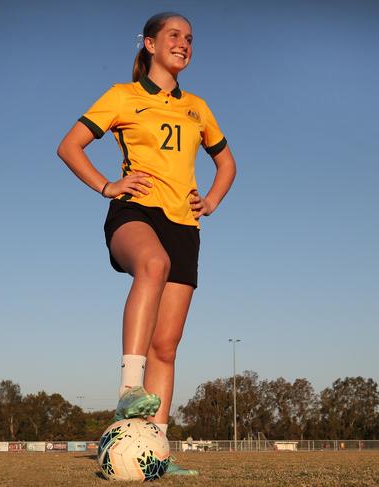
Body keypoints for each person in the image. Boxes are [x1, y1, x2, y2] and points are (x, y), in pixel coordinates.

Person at [57, 12, 236, 475]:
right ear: (151, 44)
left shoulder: (198, 106)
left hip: (185, 226)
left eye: (190, 38)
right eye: (174, 35)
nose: (184, 43)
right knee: (151, 263)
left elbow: (227, 163)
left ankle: (157, 450)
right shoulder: (123, 96)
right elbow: (70, 145)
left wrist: (211, 201)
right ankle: (129, 390)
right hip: (134, 213)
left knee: (167, 346)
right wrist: (106, 186)